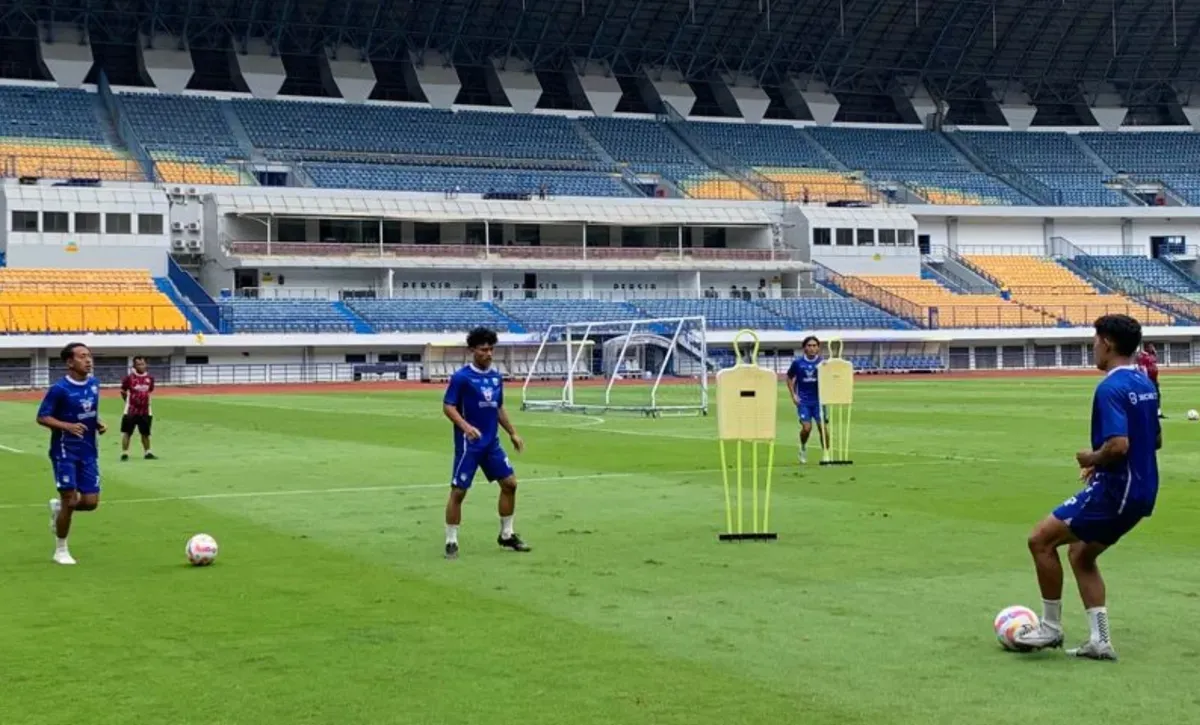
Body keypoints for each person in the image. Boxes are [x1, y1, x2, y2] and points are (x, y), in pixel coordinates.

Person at [1015, 314, 1161, 661]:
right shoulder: (1144, 383)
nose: (1093, 347)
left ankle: (1050, 628)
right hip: (1143, 491)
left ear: (1107, 343)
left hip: (1117, 491)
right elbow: (1155, 438)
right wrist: (1103, 463)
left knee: (1040, 540)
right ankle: (1100, 640)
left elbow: (1119, 445)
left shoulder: (1110, 387)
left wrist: (1091, 458)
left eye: (1095, 340)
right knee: (1081, 554)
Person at [442, 327, 529, 560]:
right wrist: (466, 427)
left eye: (491, 349)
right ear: (472, 350)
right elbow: (448, 406)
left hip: (492, 444)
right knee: (459, 492)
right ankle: (451, 540)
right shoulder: (461, 378)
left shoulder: (495, 377)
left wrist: (512, 433)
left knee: (510, 484)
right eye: (483, 349)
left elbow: (498, 407)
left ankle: (507, 534)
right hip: (468, 445)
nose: (488, 353)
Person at [36, 342, 106, 566]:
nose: (88, 360)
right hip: (64, 451)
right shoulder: (59, 389)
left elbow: (87, 412)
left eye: (89, 356)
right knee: (69, 500)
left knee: (90, 502)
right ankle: (61, 549)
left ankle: (58, 509)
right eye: (82, 356)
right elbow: (42, 417)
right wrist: (67, 426)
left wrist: (97, 424)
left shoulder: (94, 384)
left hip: (88, 451)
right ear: (69, 362)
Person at [786, 336, 829, 464]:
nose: (812, 348)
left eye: (814, 345)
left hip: (819, 401)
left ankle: (826, 454)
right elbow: (789, 378)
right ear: (804, 348)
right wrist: (793, 394)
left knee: (823, 428)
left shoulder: (823, 363)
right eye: (809, 345)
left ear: (818, 348)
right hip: (804, 401)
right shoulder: (797, 363)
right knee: (807, 428)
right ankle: (803, 447)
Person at [119, 355, 157, 461]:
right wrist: (127, 401)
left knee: (145, 433)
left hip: (146, 410)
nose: (141, 366)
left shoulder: (150, 378)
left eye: (143, 364)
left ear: (146, 365)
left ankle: (148, 452)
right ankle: (124, 453)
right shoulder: (129, 378)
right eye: (138, 364)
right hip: (131, 410)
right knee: (127, 432)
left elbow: (150, 391)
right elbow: (123, 391)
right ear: (134, 366)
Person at [1136, 343, 1163, 419]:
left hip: (1154, 379)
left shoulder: (1152, 356)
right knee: (1146, 396)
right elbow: (1141, 367)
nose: (1153, 348)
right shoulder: (1143, 356)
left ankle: (1158, 412)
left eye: (1153, 347)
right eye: (1151, 347)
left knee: (1157, 395)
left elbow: (1155, 360)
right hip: (1148, 379)